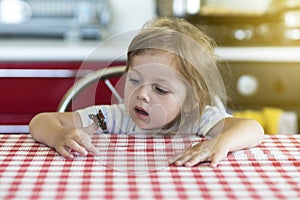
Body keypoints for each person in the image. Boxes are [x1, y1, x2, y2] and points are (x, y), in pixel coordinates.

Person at [29, 17, 264, 168]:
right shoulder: (111, 118)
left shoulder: (199, 119)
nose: (142, 94)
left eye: (160, 89)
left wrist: (218, 143)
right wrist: (59, 135)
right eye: (134, 80)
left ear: (191, 101)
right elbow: (41, 121)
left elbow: (253, 128)